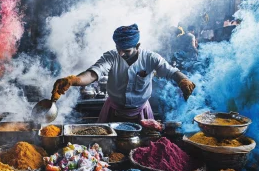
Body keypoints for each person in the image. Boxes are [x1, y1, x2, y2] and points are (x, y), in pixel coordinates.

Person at [51, 24, 196, 123]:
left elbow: (172, 72)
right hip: (113, 112)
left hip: (142, 114)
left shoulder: (151, 58)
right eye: (118, 48)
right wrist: (73, 80)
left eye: (126, 51)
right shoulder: (111, 56)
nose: (121, 53)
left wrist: (184, 81)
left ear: (137, 46)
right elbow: (92, 74)